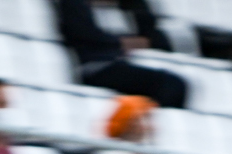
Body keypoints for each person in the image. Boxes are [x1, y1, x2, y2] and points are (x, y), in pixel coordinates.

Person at [51, 0, 187, 110]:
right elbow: (82, 35)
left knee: (174, 84)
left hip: (119, 63)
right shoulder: (74, 5)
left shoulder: (127, 6)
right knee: (167, 84)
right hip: (95, 68)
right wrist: (121, 43)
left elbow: (154, 36)